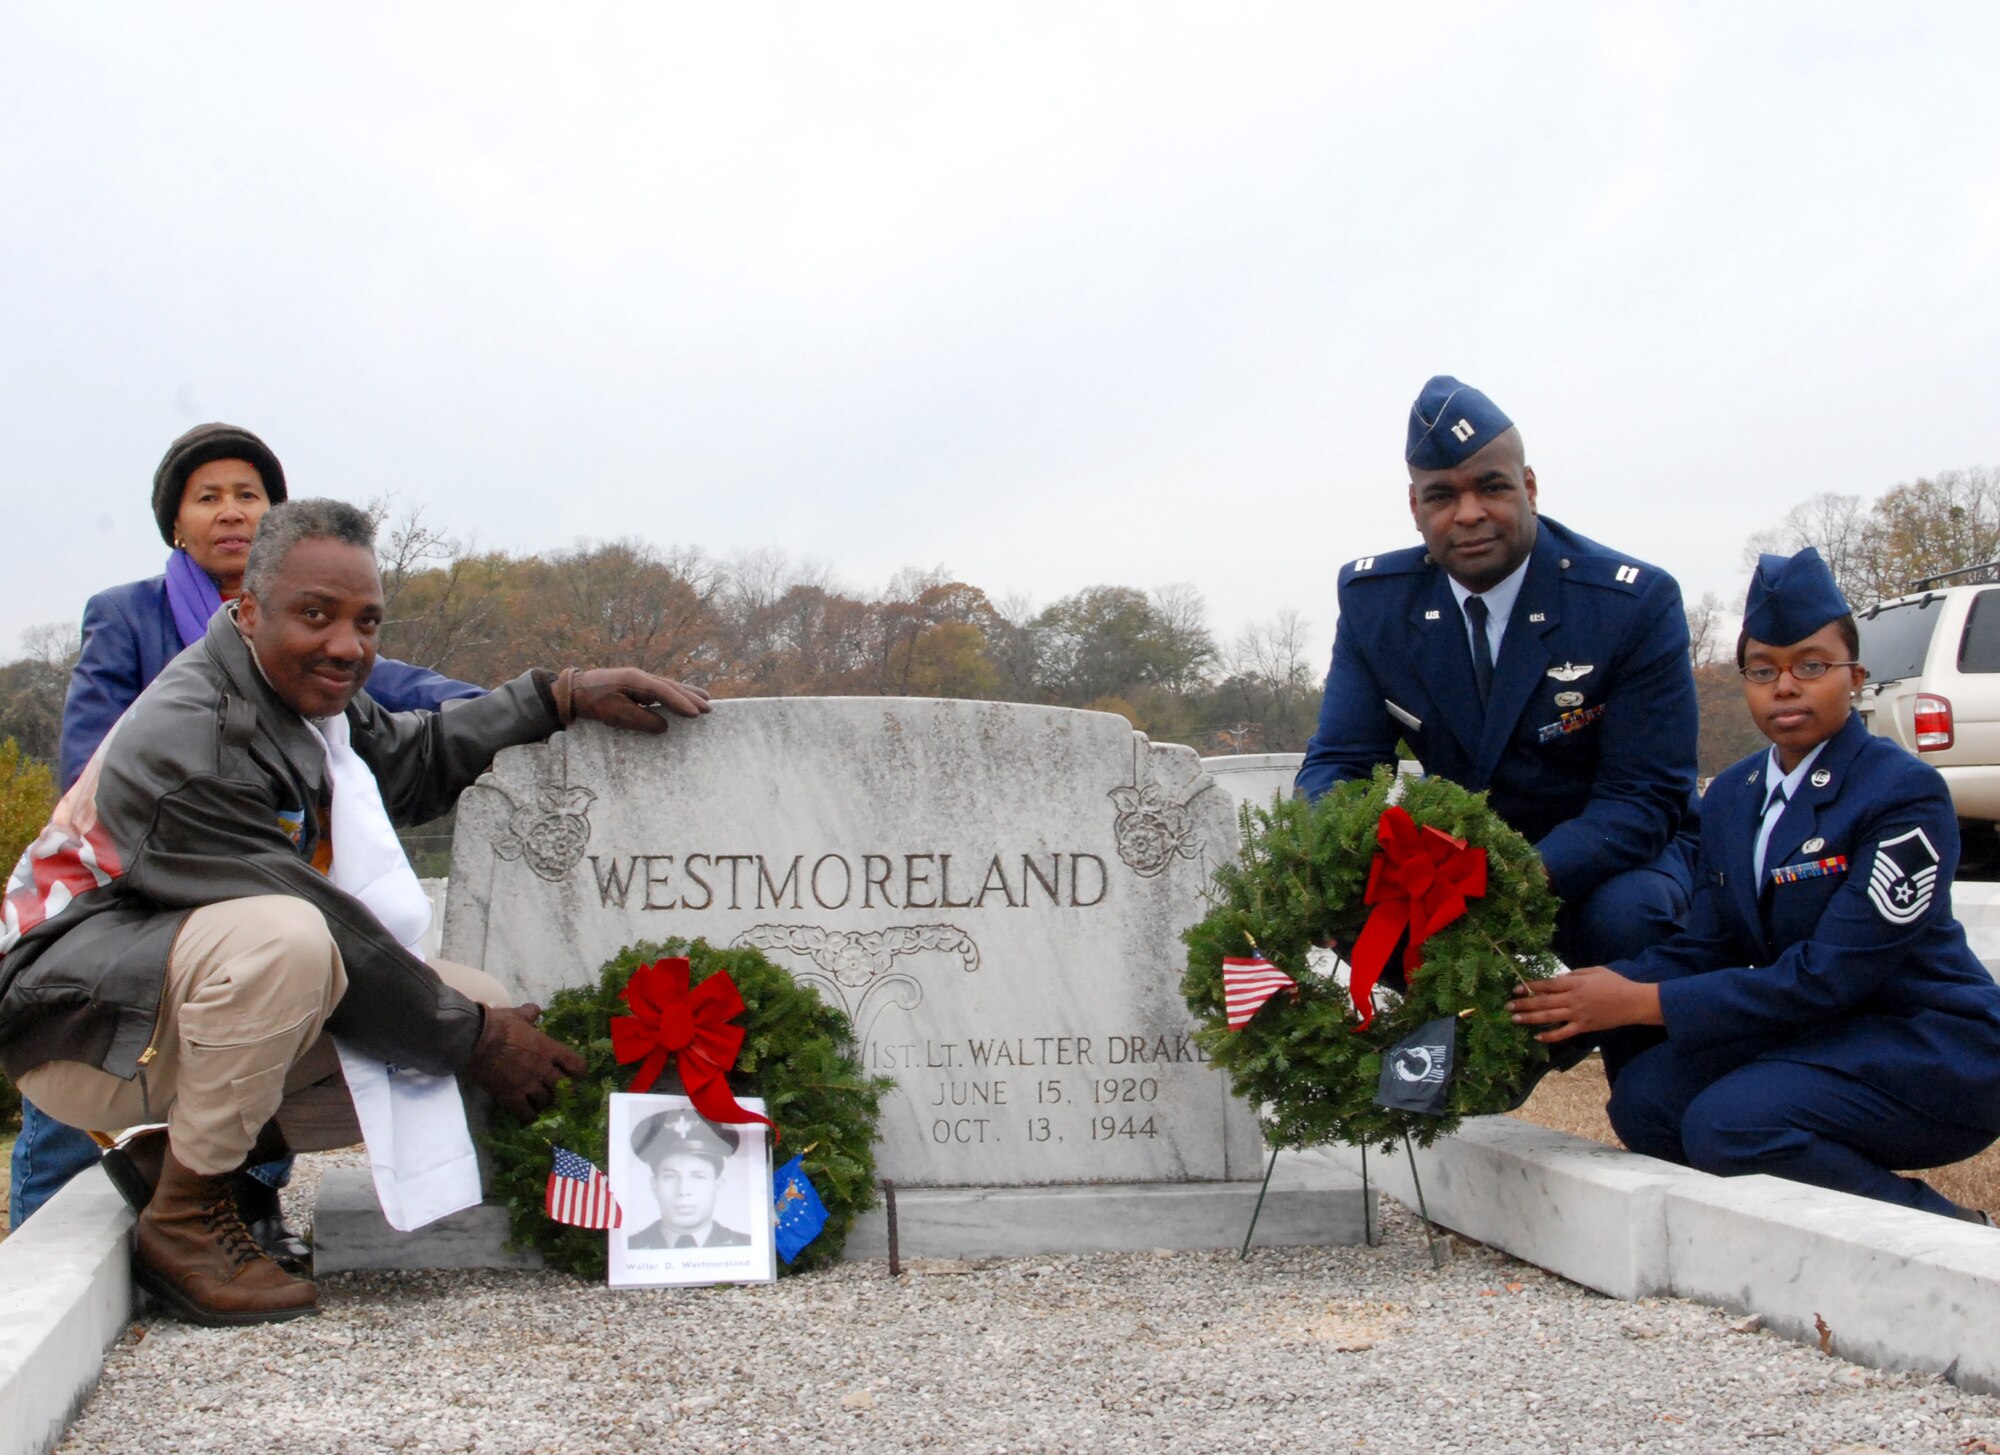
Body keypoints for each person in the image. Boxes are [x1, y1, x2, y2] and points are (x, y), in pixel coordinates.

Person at [0, 499, 713, 1324]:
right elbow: (320, 928)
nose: (346, 644)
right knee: (293, 944)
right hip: (75, 1022)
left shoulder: (299, 694)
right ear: (248, 610)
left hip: (154, 995)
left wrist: (557, 695)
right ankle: (185, 1219)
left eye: (365, 621)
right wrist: (480, 1040)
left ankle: (176, 1157)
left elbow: (413, 760)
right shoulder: (192, 738)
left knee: (465, 990)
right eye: (315, 615)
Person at [10, 423, 481, 1258]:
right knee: (289, 945)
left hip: (232, 940)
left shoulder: (313, 653)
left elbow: (407, 710)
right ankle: (116, 1230)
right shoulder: (149, 642)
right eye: (208, 497)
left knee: (422, 985)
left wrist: (551, 697)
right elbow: (100, 758)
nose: (231, 512)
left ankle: (208, 1183)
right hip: (110, 938)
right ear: (180, 526)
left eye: (249, 496)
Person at [1507, 549, 2000, 1221]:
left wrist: (1641, 1001)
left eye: (1811, 666)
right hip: (1824, 1035)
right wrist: (1571, 1004)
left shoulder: (1901, 792)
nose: (1786, 686)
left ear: (1855, 676)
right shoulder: (1737, 793)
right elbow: (1700, 943)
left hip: (1932, 1046)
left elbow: (1831, 975)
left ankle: (1952, 1235)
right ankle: (1777, 1225)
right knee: (1647, 1103)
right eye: (1763, 670)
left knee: (1731, 1124)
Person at [1296, 376, 1700, 985]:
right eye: (1441, 497)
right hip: (1450, 867)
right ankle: (1449, 1070)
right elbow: (1340, 762)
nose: (1469, 514)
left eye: (1491, 487)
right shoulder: (1376, 604)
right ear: (1415, 508)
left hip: (1603, 861)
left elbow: (1643, 799)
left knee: (1632, 917)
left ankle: (1646, 1072)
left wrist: (1502, 879)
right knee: (1363, 916)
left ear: (1529, 488)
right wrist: (1342, 861)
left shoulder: (1629, 604)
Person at [625, 1109, 752, 1249]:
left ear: (718, 1186)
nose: (683, 1190)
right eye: (670, 1176)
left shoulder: (745, 1246)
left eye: (698, 1176)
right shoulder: (631, 1247)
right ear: (655, 1186)